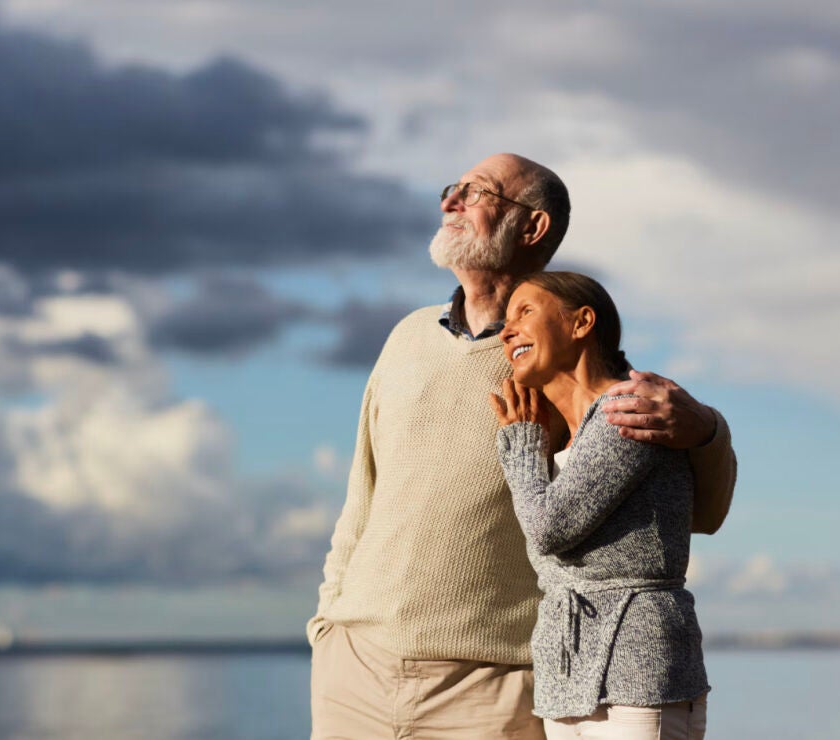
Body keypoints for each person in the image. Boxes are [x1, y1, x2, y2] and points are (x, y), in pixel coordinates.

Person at [308, 153, 736, 739]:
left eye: (476, 192)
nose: (450, 202)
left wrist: (710, 432)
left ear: (532, 228)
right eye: (451, 188)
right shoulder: (406, 338)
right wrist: (328, 626)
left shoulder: (566, 370)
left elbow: (696, 514)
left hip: (493, 687)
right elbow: (363, 494)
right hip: (353, 671)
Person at [490, 271, 709, 739]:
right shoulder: (570, 439)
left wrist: (521, 443)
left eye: (525, 312)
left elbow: (549, 529)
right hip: (565, 671)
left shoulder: (629, 409)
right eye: (505, 320)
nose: (506, 330)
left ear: (582, 322)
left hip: (637, 664)